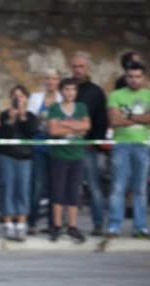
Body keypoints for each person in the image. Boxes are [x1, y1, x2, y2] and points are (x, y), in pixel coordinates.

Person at [106, 61, 150, 239]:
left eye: (138, 76)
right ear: (125, 77)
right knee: (118, 187)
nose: (134, 80)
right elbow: (114, 121)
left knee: (140, 188)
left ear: (144, 78)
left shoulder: (148, 95)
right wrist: (142, 119)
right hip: (121, 146)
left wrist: (129, 116)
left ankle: (140, 227)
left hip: (143, 146)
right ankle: (113, 226)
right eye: (131, 76)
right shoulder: (116, 95)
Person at [47, 78, 90, 243]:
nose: (69, 93)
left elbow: (86, 127)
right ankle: (57, 226)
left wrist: (64, 123)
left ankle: (72, 226)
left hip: (77, 155)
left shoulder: (81, 107)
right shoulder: (55, 108)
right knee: (58, 191)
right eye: (66, 89)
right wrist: (75, 125)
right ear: (61, 91)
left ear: (76, 92)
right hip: (59, 155)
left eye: (73, 89)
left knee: (73, 191)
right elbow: (53, 130)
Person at [70, 55, 109, 236]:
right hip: (66, 146)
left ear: (88, 68)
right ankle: (66, 224)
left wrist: (93, 142)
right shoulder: (67, 88)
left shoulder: (96, 92)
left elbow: (101, 120)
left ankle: (98, 223)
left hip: (87, 147)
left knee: (93, 186)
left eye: (81, 66)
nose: (78, 70)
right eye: (75, 66)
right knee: (67, 186)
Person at [0, 85, 38, 241]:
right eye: (15, 96)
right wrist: (11, 119)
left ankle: (21, 224)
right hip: (7, 156)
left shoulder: (31, 116)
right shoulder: (4, 115)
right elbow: (2, 134)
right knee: (7, 189)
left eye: (21, 96)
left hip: (25, 157)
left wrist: (23, 117)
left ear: (26, 99)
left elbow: (32, 131)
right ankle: (8, 224)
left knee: (23, 190)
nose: (18, 99)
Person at [26, 69, 63, 235]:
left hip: (57, 146)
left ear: (58, 81)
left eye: (54, 78)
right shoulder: (35, 98)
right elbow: (29, 121)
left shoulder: (63, 99)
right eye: (48, 78)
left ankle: (52, 223)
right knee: (37, 185)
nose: (50, 81)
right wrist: (39, 118)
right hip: (39, 146)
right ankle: (32, 222)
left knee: (55, 186)